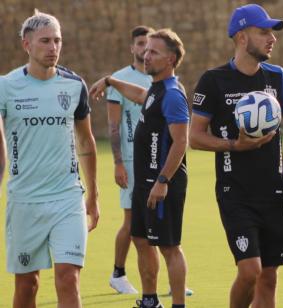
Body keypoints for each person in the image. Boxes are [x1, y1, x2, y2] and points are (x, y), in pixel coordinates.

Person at [190, 4, 283, 308]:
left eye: (273, 32)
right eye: (264, 32)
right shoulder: (213, 81)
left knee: (269, 278)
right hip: (236, 194)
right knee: (250, 272)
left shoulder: (278, 77)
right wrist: (235, 145)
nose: (273, 38)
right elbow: (195, 137)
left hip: (275, 193)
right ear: (242, 37)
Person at [0, 10, 99, 308]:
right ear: (26, 45)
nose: (53, 47)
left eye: (57, 40)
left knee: (68, 277)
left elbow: (85, 140)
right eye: (45, 41)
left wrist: (93, 193)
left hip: (67, 197)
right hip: (25, 201)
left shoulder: (74, 85)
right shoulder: (6, 86)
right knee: (27, 286)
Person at [90, 28, 190, 308]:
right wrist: (112, 81)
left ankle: (178, 304)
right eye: (145, 50)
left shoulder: (172, 94)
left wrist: (162, 180)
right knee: (140, 238)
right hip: (143, 180)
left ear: (170, 59)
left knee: (169, 246)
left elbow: (181, 142)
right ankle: (150, 299)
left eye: (154, 52)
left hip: (162, 182)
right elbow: (140, 94)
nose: (146, 56)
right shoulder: (156, 90)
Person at [106, 25, 154, 295]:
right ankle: (118, 273)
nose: (144, 49)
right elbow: (113, 127)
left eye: (149, 45)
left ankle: (166, 280)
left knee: (158, 219)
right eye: (140, 44)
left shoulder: (160, 78)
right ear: (132, 48)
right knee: (132, 220)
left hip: (155, 161)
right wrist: (118, 162)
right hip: (132, 162)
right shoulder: (119, 79)